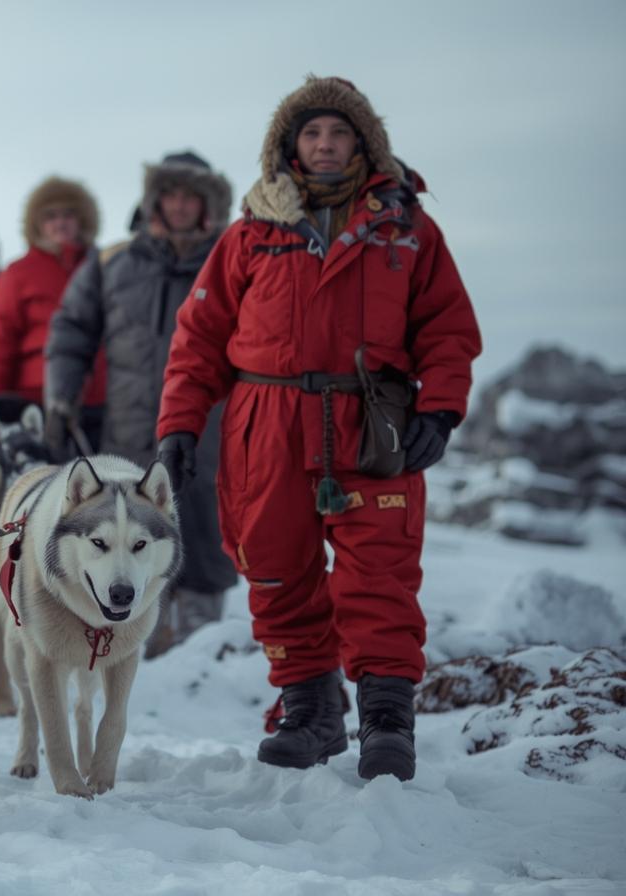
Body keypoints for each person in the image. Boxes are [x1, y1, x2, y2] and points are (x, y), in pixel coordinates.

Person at [154, 77, 481, 781]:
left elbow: (448, 329)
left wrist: (441, 409)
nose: (326, 145)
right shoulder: (250, 233)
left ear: (363, 144)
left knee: (381, 574)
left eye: (339, 134)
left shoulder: (409, 230)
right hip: (263, 422)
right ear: (289, 147)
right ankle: (310, 711)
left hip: (372, 421)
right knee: (274, 568)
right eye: (312, 134)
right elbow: (200, 337)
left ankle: (388, 720)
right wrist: (179, 425)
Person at [44, 152, 239, 656]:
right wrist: (60, 398)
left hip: (212, 426)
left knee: (203, 525)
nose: (178, 206)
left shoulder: (235, 258)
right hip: (129, 429)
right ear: (154, 199)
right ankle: (132, 647)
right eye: (169, 194)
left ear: (209, 203)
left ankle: (202, 651)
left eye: (190, 196)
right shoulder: (113, 262)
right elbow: (71, 331)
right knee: (126, 534)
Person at [0, 177, 105, 431]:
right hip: (37, 397)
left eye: (69, 214)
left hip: (102, 396)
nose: (60, 222)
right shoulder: (18, 273)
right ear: (37, 224)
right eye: (50, 216)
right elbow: (1, 338)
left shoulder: (104, 266)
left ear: (83, 219)